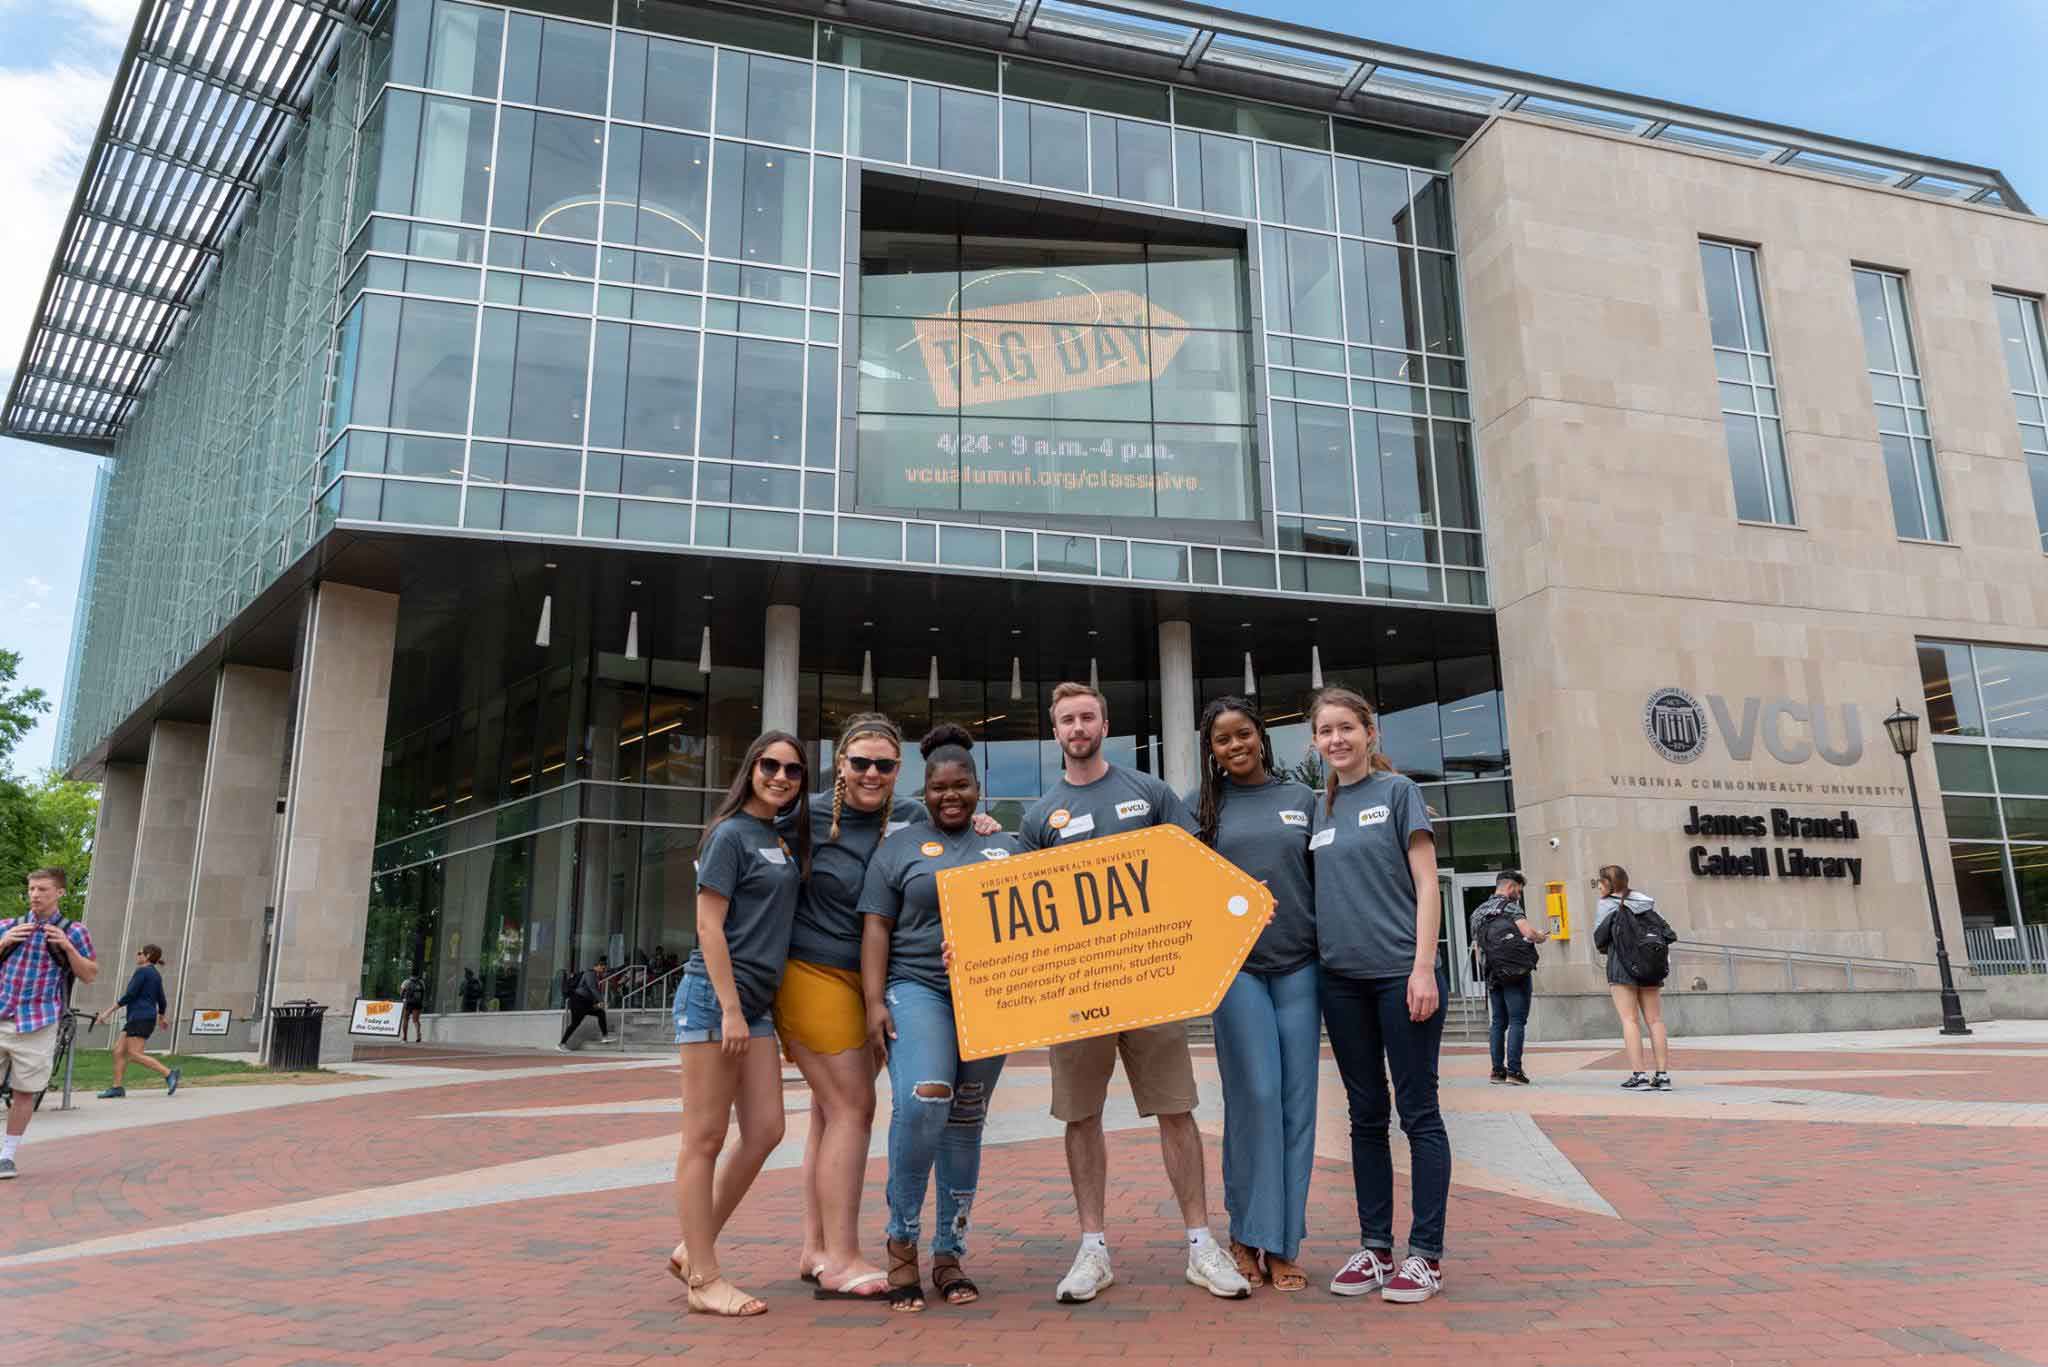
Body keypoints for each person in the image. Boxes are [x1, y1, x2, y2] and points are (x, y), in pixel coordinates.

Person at [1016, 681, 1251, 1304]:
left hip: (1151, 983)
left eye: (1086, 716)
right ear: (1056, 730)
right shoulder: (1040, 816)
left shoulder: (1148, 792)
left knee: (1176, 1108)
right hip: (1077, 992)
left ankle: (1201, 1244)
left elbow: (1192, 871)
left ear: (1104, 723)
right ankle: (1092, 1248)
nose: (1077, 727)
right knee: (1080, 1115)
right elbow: (1014, 912)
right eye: (1066, 719)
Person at [859, 724, 1020, 1312]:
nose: (950, 796)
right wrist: (874, 1002)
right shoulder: (898, 848)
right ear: (924, 791)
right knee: (927, 1098)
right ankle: (901, 1240)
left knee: (965, 1119)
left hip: (990, 997)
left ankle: (949, 1252)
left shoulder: (1006, 846)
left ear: (978, 787)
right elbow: (876, 926)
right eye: (938, 787)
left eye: (961, 786)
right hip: (917, 987)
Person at [1308, 687, 1449, 1305]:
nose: (1336, 739)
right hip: (1340, 981)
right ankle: (1374, 1247)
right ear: (1314, 743)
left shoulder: (1399, 794)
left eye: (1346, 728)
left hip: (1399, 976)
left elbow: (1428, 885)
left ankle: (1426, 1255)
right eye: (1325, 732)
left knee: (1418, 1113)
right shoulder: (1319, 807)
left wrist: (1423, 968)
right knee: (1364, 1115)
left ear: (1370, 733)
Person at [668, 732, 811, 1317]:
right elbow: (709, 928)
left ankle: (689, 1247)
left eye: (793, 770)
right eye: (770, 765)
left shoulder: (779, 836)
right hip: (714, 1000)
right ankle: (704, 1277)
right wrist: (728, 1006)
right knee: (703, 1137)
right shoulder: (729, 835)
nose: (780, 776)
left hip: (754, 1007)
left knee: (766, 1130)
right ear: (750, 768)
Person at [775, 713, 917, 1301]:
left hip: (871, 984)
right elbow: (735, 857)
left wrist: (987, 824)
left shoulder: (910, 820)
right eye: (860, 762)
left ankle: (815, 1248)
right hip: (809, 974)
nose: (872, 774)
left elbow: (956, 848)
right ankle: (843, 1259)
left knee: (828, 1114)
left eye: (885, 765)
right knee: (854, 1108)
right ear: (841, 763)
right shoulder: (799, 815)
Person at [1191, 696, 1318, 1294]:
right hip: (1235, 971)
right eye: (1223, 740)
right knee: (1257, 1097)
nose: (1235, 745)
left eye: (1243, 734)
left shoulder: (1304, 800)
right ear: (1210, 750)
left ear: (1261, 736)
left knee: (1298, 1105)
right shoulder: (1203, 812)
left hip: (1300, 967)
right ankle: (1246, 1232)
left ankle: (1285, 1243)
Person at [0, 868, 98, 1178]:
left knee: (24, 1092)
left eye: (43, 889)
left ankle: (7, 1155)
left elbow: (89, 974)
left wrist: (68, 948)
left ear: (60, 893)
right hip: (2, 1015)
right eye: (31, 889)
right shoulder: (8, 926)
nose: (35, 895)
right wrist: (2, 942)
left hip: (39, 1022)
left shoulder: (76, 932)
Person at [1593, 865, 1677, 1092]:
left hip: (1621, 966)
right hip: (1651, 965)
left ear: (1609, 884)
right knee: (1655, 1020)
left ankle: (1639, 1075)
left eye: (1600, 883)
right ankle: (1662, 1075)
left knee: (1629, 1020)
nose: (1598, 887)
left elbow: (1600, 939)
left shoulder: (1607, 905)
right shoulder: (1646, 902)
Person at [1469, 871, 1546, 1085]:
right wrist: (1541, 936)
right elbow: (1528, 933)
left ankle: (1497, 1071)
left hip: (1493, 973)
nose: (1519, 895)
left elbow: (1477, 949)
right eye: (1519, 890)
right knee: (1517, 1020)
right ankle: (1515, 1071)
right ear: (1511, 887)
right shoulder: (1510, 907)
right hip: (1515, 972)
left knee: (1498, 1022)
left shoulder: (1477, 913)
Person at [93, 944, 179, 1097]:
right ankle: (117, 1087)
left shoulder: (142, 972)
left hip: (140, 1017)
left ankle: (169, 1073)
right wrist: (161, 1017)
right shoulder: (155, 974)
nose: (137, 955)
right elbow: (162, 1000)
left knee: (134, 1054)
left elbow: (129, 996)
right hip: (140, 1017)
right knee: (118, 1051)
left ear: (147, 956)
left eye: (140, 953)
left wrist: (107, 1013)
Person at [558, 958, 615, 1051]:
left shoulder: (594, 975)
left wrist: (596, 1003)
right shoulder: (590, 974)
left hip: (585, 1002)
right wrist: (601, 1001)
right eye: (603, 968)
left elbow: (590, 991)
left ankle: (605, 1037)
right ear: (598, 966)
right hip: (578, 1001)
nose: (604, 971)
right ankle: (561, 1044)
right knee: (575, 1023)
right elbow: (592, 988)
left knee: (600, 1013)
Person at [398, 971, 425, 1043]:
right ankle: (418, 1036)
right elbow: (423, 993)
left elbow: (401, 993)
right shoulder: (421, 982)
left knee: (406, 1019)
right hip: (417, 1003)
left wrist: (402, 999)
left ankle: (405, 1038)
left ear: (410, 975)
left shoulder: (406, 982)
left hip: (408, 1003)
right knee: (416, 1020)